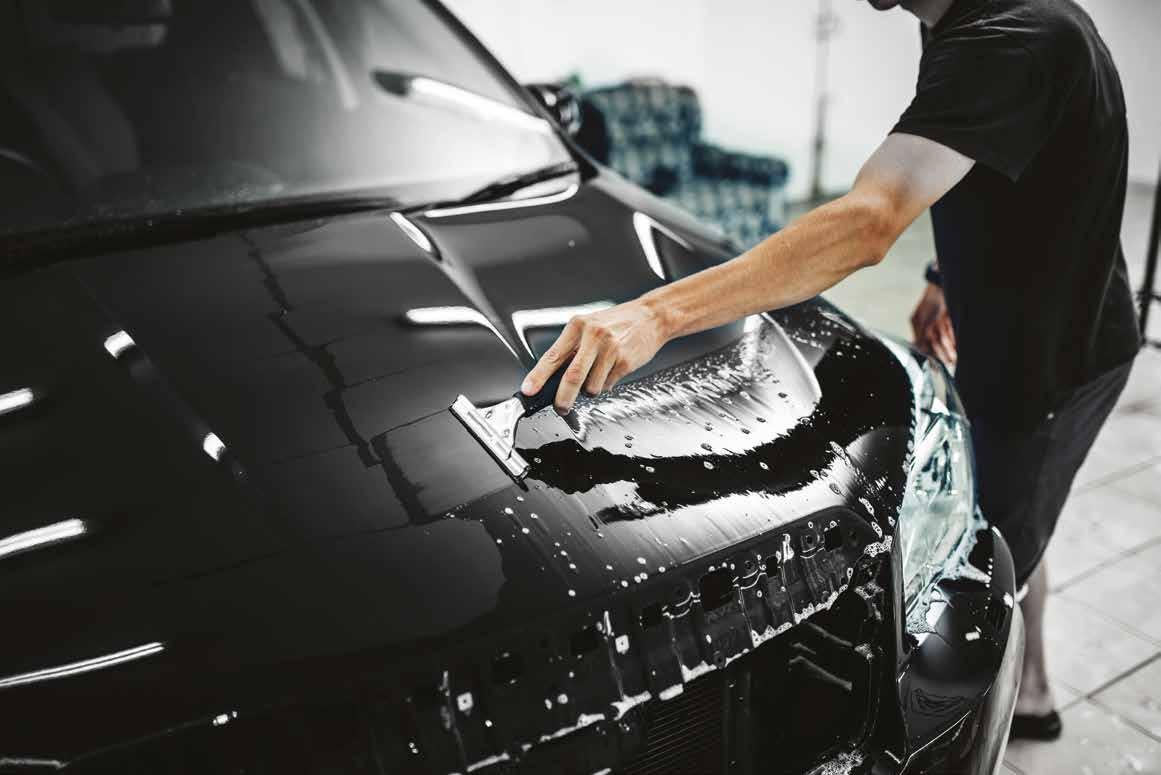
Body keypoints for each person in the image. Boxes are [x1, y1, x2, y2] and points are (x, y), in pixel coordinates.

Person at [521, 0, 1141, 741]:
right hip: (1009, 332)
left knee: (980, 555)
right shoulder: (958, 20)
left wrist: (656, 314)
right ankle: (1035, 687)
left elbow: (868, 221)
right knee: (1013, 517)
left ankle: (999, 709)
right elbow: (993, 157)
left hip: (1053, 364)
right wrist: (944, 276)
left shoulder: (1013, 37)